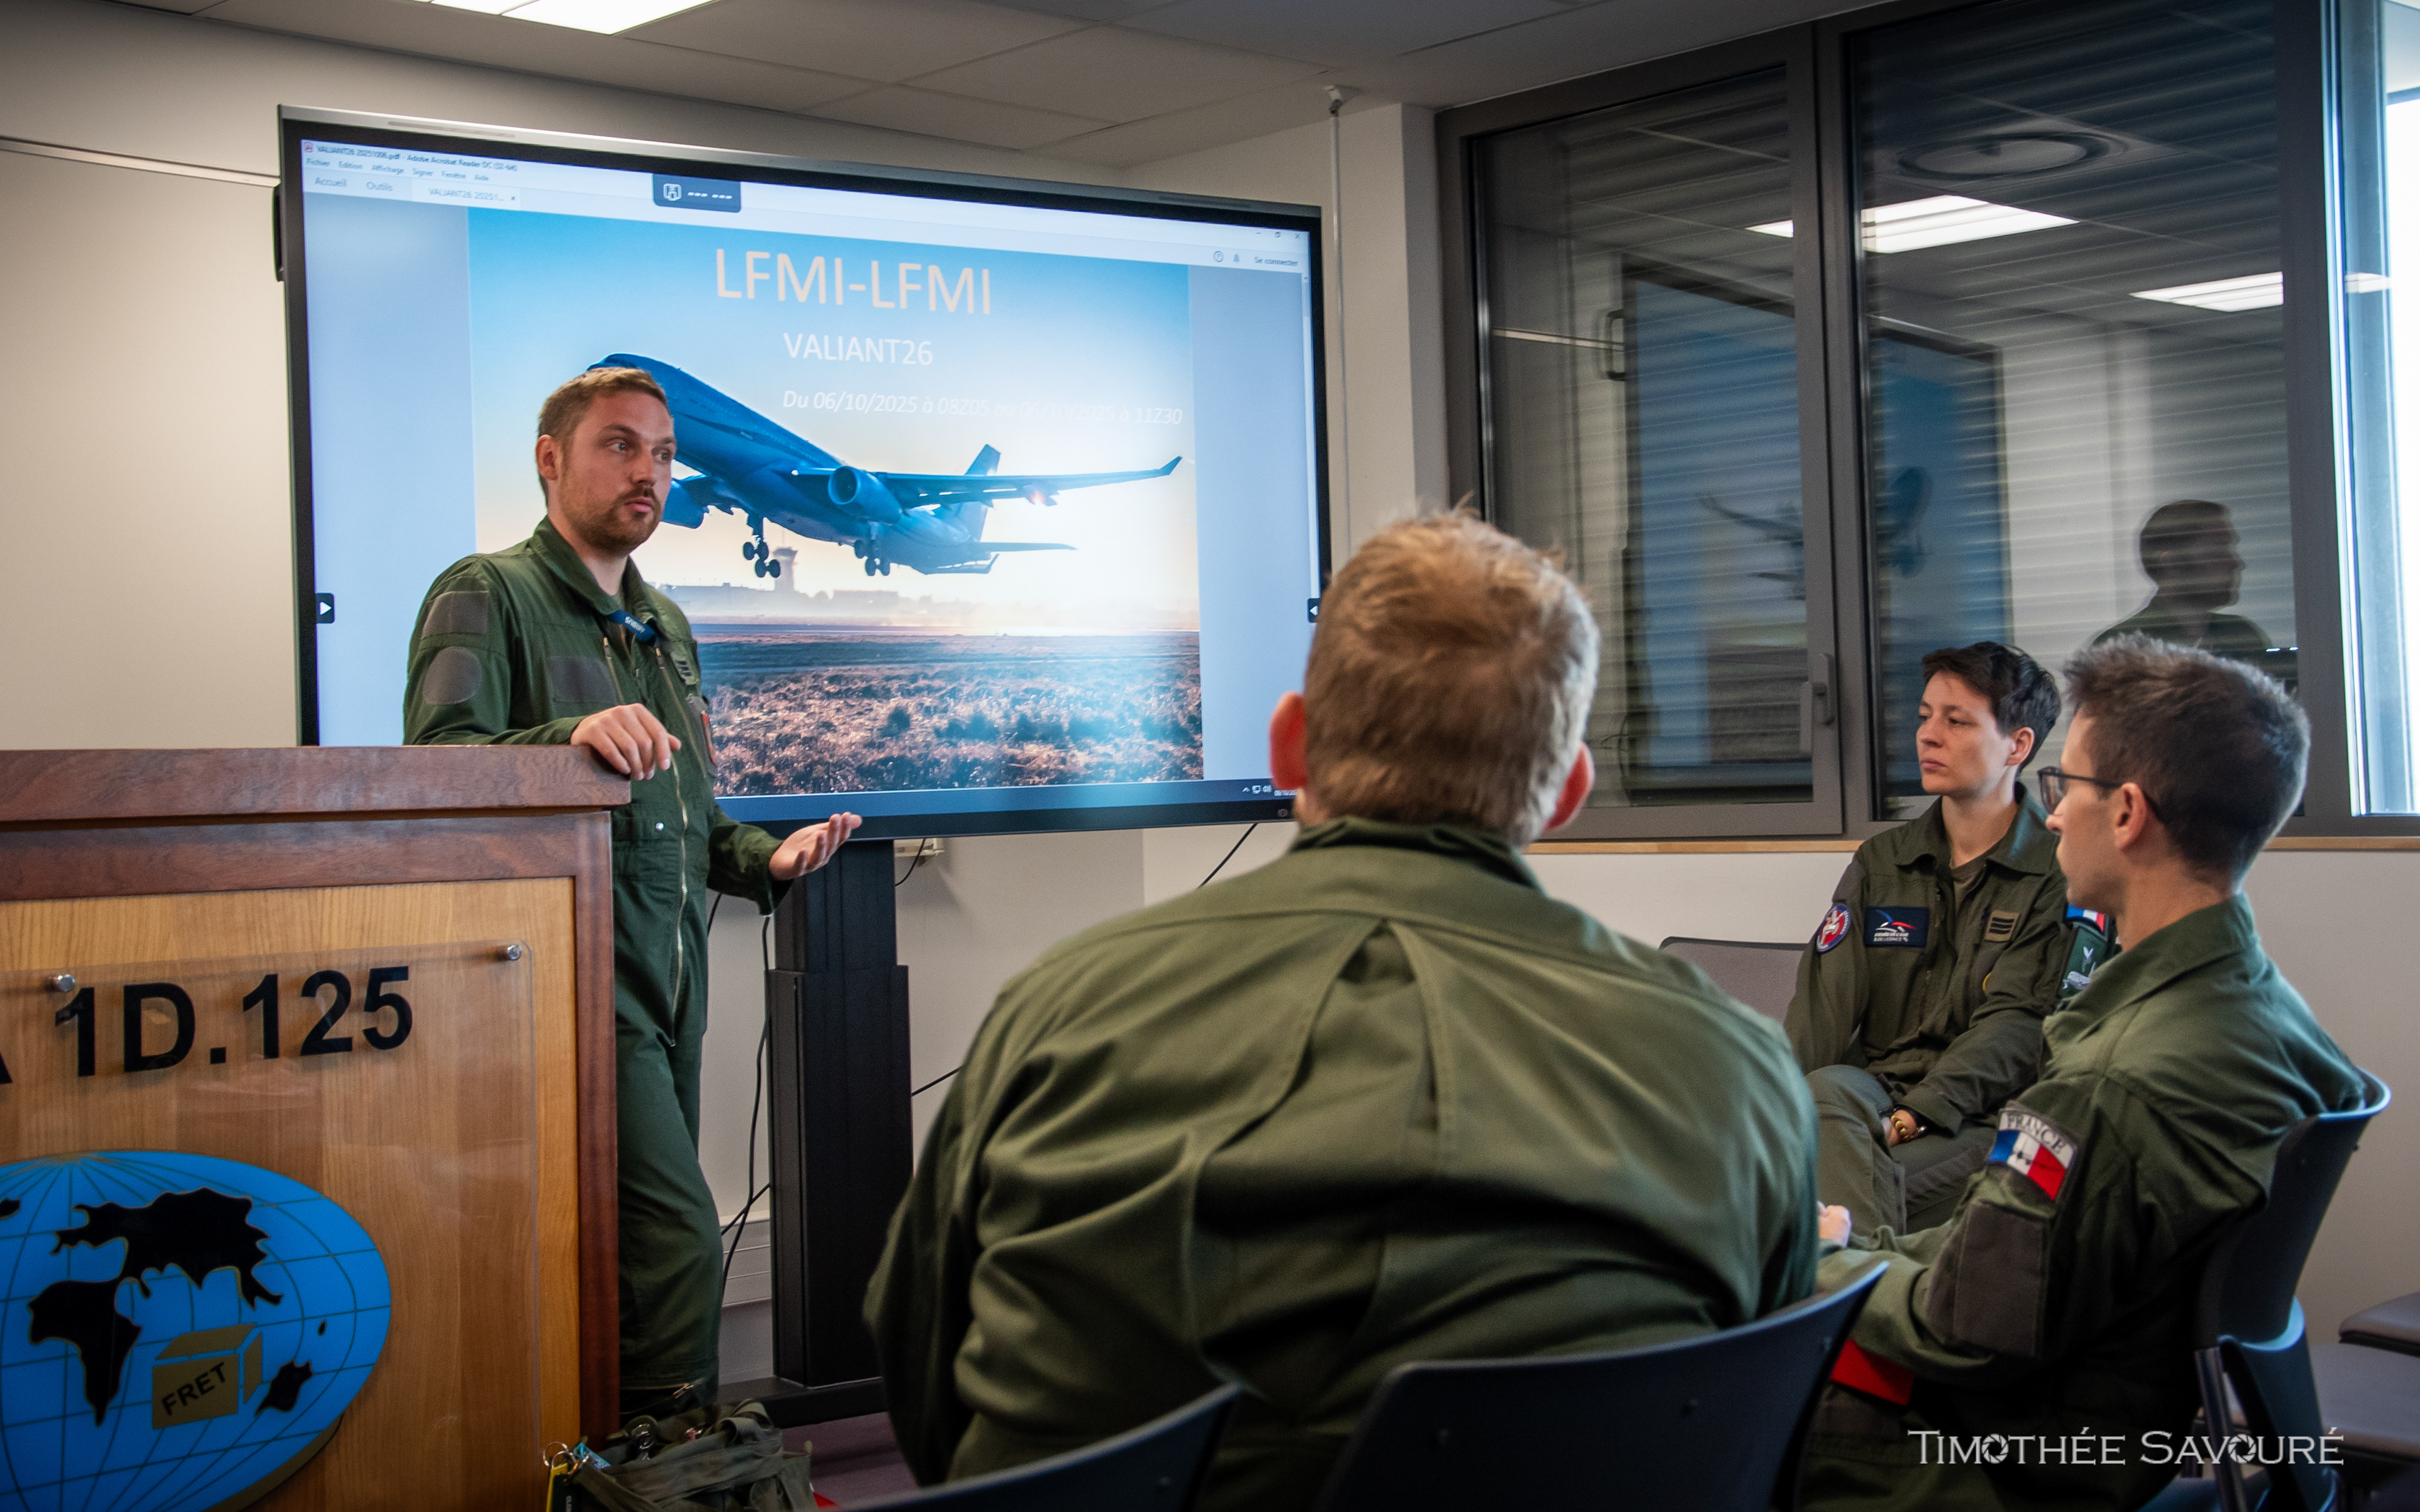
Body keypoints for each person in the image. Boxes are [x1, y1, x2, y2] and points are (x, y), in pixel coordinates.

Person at [865, 514, 1820, 1512]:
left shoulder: (1059, 1013)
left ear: (1288, 747)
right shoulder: (1738, 1070)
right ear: (1567, 791)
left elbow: (929, 1400)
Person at [1799, 636, 2367, 1512]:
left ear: (2130, 812)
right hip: (2115, 1425)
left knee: (1714, 1400)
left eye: (2069, 788)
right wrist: (1866, 1247)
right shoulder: (2272, 1017)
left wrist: (1823, 1265)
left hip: (2009, 1454)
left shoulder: (2108, 1083)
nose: (2054, 816)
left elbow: (1960, 1334)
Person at [403, 365, 860, 1412]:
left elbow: (691, 823)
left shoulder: (667, 629)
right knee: (677, 1245)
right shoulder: (486, 593)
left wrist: (767, 860)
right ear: (550, 459)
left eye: (661, 453)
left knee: (623, 1262)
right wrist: (565, 739)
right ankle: (676, 1469)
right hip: (566, 984)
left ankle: (619, 1466)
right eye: (619, 445)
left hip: (671, 985)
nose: (648, 472)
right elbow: (434, 776)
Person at [1787, 642, 2095, 1236]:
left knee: (1828, 1180)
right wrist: (1768, 1114)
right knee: (1816, 1100)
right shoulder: (1884, 861)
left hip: (1987, 1114)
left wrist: (1913, 1118)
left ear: (2019, 745)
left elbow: (2016, 1031)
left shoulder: (2056, 871)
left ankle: (1855, 1296)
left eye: (1957, 721)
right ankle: (1861, 1299)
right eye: (1926, 716)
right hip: (1865, 1096)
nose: (1929, 735)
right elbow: (1821, 1010)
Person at [2093, 499, 2274, 660]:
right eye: (2218, 551)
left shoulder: (2242, 635)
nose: (2236, 563)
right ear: (2171, 564)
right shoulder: (2120, 649)